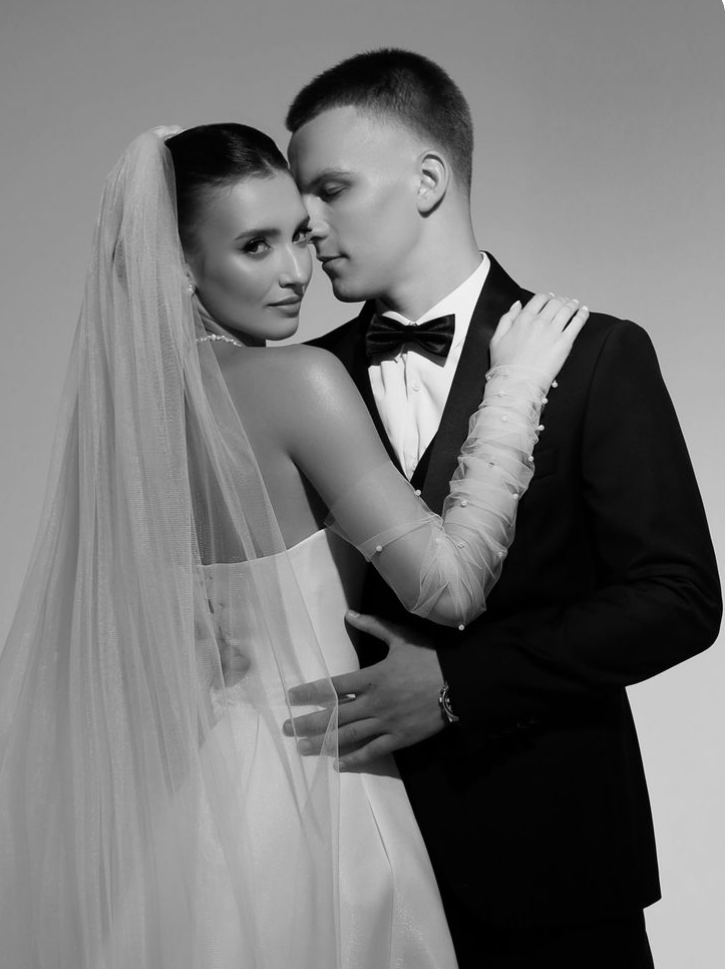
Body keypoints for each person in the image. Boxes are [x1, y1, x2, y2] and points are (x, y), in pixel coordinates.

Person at [0, 123, 585, 968]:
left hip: (199, 808)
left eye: (298, 236)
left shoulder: (124, 423)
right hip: (321, 780)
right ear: (180, 266)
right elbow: (450, 588)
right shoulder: (298, 380)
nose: (295, 272)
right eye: (254, 245)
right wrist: (514, 390)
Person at [284, 48, 723, 969]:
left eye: (331, 188)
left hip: (555, 863)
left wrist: (457, 686)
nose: (306, 226)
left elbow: (679, 596)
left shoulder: (598, 354)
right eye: (299, 199)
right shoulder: (301, 383)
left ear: (429, 180)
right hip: (351, 867)